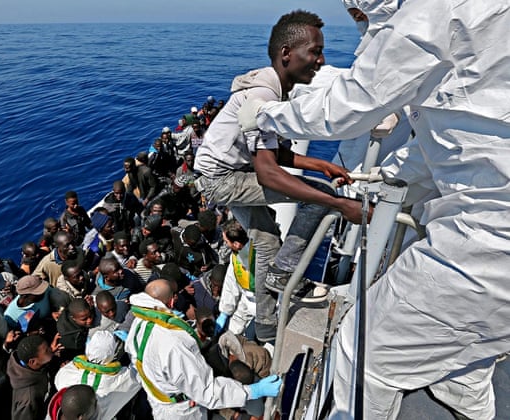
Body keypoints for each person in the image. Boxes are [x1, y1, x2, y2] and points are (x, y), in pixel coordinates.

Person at [254, 1, 510, 418]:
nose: (364, 23)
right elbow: (455, 138)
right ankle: (463, 389)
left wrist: (269, 115)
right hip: (490, 226)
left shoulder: (439, 9)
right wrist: (379, 175)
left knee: (362, 347)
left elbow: (352, 103)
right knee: (473, 341)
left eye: (360, 12)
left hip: (490, 240)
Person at [193, 10, 362, 344]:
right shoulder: (263, 97)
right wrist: (340, 204)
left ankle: (267, 324)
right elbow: (268, 172)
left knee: (268, 239)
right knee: (320, 201)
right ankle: (285, 274)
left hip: (227, 173)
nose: (321, 59)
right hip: (223, 178)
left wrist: (320, 164)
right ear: (287, 53)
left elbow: (276, 154)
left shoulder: (275, 92)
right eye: (314, 51)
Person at [125, 279, 283, 419]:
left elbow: (144, 368)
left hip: (162, 399)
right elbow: (208, 392)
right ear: (172, 301)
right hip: (181, 412)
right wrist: (253, 391)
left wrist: (180, 389)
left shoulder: (138, 325)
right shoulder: (173, 343)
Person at [55, 330, 140, 420]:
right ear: (113, 354)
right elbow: (140, 373)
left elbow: (64, 373)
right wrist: (133, 350)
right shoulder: (117, 383)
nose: (97, 399)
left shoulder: (65, 373)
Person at [7, 334, 60, 420]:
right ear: (32, 362)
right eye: (47, 351)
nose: (51, 349)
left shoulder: (30, 365)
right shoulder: (28, 400)